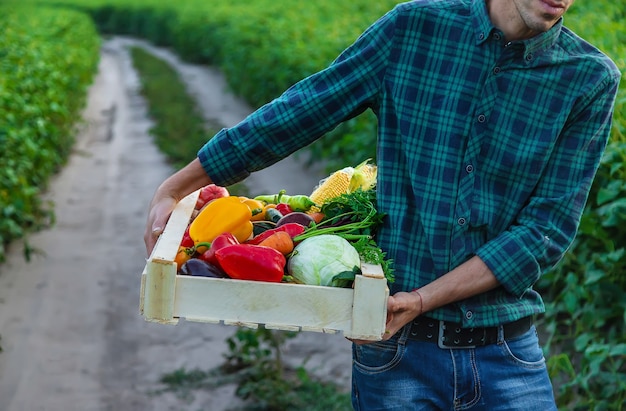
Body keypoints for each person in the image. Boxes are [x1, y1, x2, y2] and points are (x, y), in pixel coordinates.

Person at [144, 0, 621, 409]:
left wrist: (422, 299)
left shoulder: (587, 78)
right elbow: (302, 110)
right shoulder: (413, 31)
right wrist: (179, 185)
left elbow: (546, 230)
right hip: (397, 354)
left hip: (507, 351)